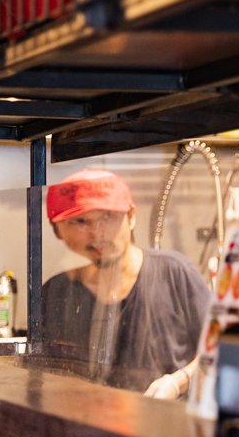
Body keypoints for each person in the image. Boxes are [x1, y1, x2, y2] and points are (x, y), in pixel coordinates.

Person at [42, 169, 212, 399]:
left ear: (131, 217)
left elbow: (221, 348)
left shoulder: (175, 273)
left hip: (166, 424)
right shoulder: (57, 291)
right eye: (80, 221)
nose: (97, 233)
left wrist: (178, 382)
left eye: (107, 217)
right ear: (57, 230)